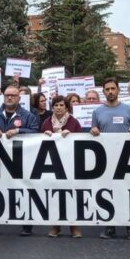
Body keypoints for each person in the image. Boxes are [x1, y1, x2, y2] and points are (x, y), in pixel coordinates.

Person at [0, 84, 40, 235]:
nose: (10, 98)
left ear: (19, 98)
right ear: (3, 97)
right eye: (7, 95)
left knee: (23, 191)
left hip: (20, 160)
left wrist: (18, 131)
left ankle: (27, 225)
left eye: (13, 95)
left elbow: (35, 131)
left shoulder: (28, 116)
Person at [90, 78, 130, 240]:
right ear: (103, 92)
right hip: (106, 159)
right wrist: (94, 130)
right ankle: (110, 225)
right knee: (108, 192)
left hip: (126, 158)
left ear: (118, 90)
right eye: (107, 89)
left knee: (127, 191)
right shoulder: (97, 112)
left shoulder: (128, 110)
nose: (110, 92)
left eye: (113, 89)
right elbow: (93, 129)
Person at [41, 95, 84, 238]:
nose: (58, 108)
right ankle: (56, 226)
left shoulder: (74, 122)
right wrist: (45, 135)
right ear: (52, 107)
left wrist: (71, 135)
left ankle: (74, 227)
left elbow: (81, 140)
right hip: (52, 164)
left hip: (70, 163)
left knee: (72, 194)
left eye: (61, 105)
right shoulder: (47, 123)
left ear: (66, 107)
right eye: (55, 105)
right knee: (54, 195)